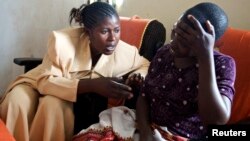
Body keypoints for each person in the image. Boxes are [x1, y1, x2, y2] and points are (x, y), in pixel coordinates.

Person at [0, 2, 149, 141]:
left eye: (117, 30)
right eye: (104, 31)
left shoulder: (124, 51)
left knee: (53, 105)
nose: (113, 38)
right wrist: (93, 85)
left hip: (60, 94)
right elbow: (45, 82)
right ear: (88, 32)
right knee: (16, 102)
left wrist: (137, 76)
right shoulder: (62, 42)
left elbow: (146, 65)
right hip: (38, 82)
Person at [136, 2, 236, 141]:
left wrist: (205, 56)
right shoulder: (164, 53)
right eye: (175, 32)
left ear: (208, 43)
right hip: (149, 130)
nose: (174, 43)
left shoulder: (222, 64)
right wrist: (145, 131)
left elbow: (216, 120)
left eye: (184, 42)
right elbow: (144, 96)